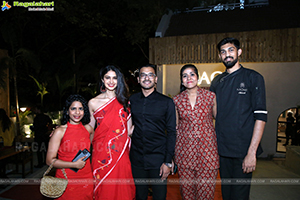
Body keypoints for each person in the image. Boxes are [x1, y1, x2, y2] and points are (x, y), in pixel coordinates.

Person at [210, 37, 267, 200]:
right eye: (223, 52)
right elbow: (214, 114)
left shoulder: (253, 78)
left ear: (239, 52)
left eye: (231, 50)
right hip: (222, 150)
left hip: (243, 150)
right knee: (227, 195)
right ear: (220, 56)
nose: (227, 54)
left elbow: (261, 117)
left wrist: (251, 152)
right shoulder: (217, 81)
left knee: (240, 196)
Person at [129, 64, 176, 200]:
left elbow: (172, 132)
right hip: (137, 159)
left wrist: (167, 161)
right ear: (138, 79)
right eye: (143, 75)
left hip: (158, 159)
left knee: (160, 196)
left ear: (155, 79)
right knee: (139, 196)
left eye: (150, 75)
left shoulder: (167, 102)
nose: (147, 78)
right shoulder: (132, 100)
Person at [88, 65, 135, 200]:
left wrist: (150, 124)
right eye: (107, 77)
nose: (111, 81)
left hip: (120, 153)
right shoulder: (93, 102)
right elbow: (89, 129)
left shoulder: (125, 102)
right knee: (103, 187)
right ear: (102, 80)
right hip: (101, 151)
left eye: (115, 78)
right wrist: (64, 129)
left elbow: (129, 130)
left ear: (118, 80)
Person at [173, 64, 219, 200]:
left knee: (206, 193)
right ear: (181, 80)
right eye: (185, 75)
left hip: (207, 153)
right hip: (184, 153)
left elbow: (221, 120)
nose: (189, 78)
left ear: (197, 77)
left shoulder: (211, 96)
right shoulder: (176, 100)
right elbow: (175, 128)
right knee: (187, 194)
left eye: (192, 74)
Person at [46, 94, 94, 200]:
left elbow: (93, 150)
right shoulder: (59, 132)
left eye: (80, 109)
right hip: (66, 179)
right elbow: (50, 161)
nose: (77, 112)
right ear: (67, 111)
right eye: (73, 109)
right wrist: (74, 164)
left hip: (86, 178)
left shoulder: (88, 129)